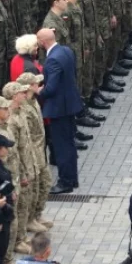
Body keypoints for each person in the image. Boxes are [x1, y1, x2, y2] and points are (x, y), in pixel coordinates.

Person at [37, 29, 81, 194]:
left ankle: (65, 182)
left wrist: (38, 90)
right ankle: (72, 179)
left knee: (62, 147)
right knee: (69, 144)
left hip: (58, 109)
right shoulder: (66, 51)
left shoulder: (51, 60)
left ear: (43, 42)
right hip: (69, 105)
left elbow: (51, 89)